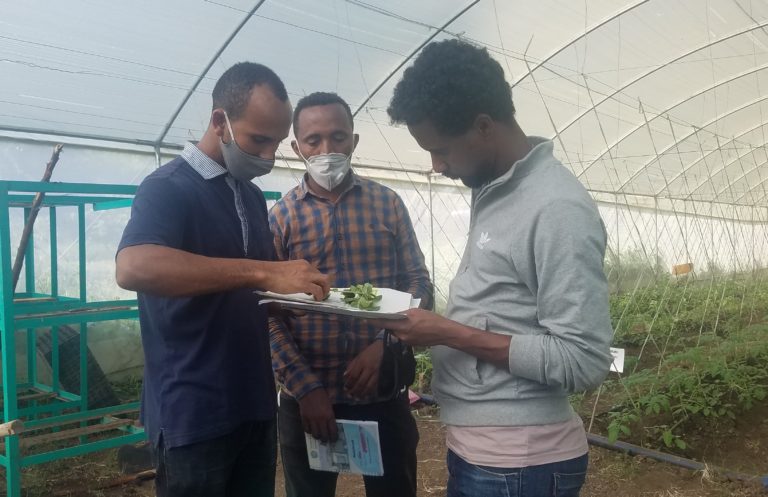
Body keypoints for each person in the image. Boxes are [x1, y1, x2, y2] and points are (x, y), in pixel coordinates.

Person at [373, 39, 613, 497]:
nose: (436, 165)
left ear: (483, 126)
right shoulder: (495, 187)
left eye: (441, 150)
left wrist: (447, 331)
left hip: (518, 464)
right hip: (487, 453)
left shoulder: (556, 208)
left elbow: (584, 359)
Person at [115, 62, 329, 497]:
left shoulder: (249, 193)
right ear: (220, 122)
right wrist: (262, 271)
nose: (268, 156)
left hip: (253, 402)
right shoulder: (168, 187)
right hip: (193, 413)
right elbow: (132, 267)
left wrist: (305, 292)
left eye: (275, 143)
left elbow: (254, 290)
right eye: (258, 140)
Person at [268, 91, 433, 497]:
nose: (327, 149)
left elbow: (419, 284)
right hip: (309, 401)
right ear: (297, 148)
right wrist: (305, 388)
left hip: (381, 392)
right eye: (313, 140)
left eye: (339, 137)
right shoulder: (281, 218)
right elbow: (267, 314)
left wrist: (386, 342)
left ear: (354, 141)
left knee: (395, 489)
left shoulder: (387, 205)